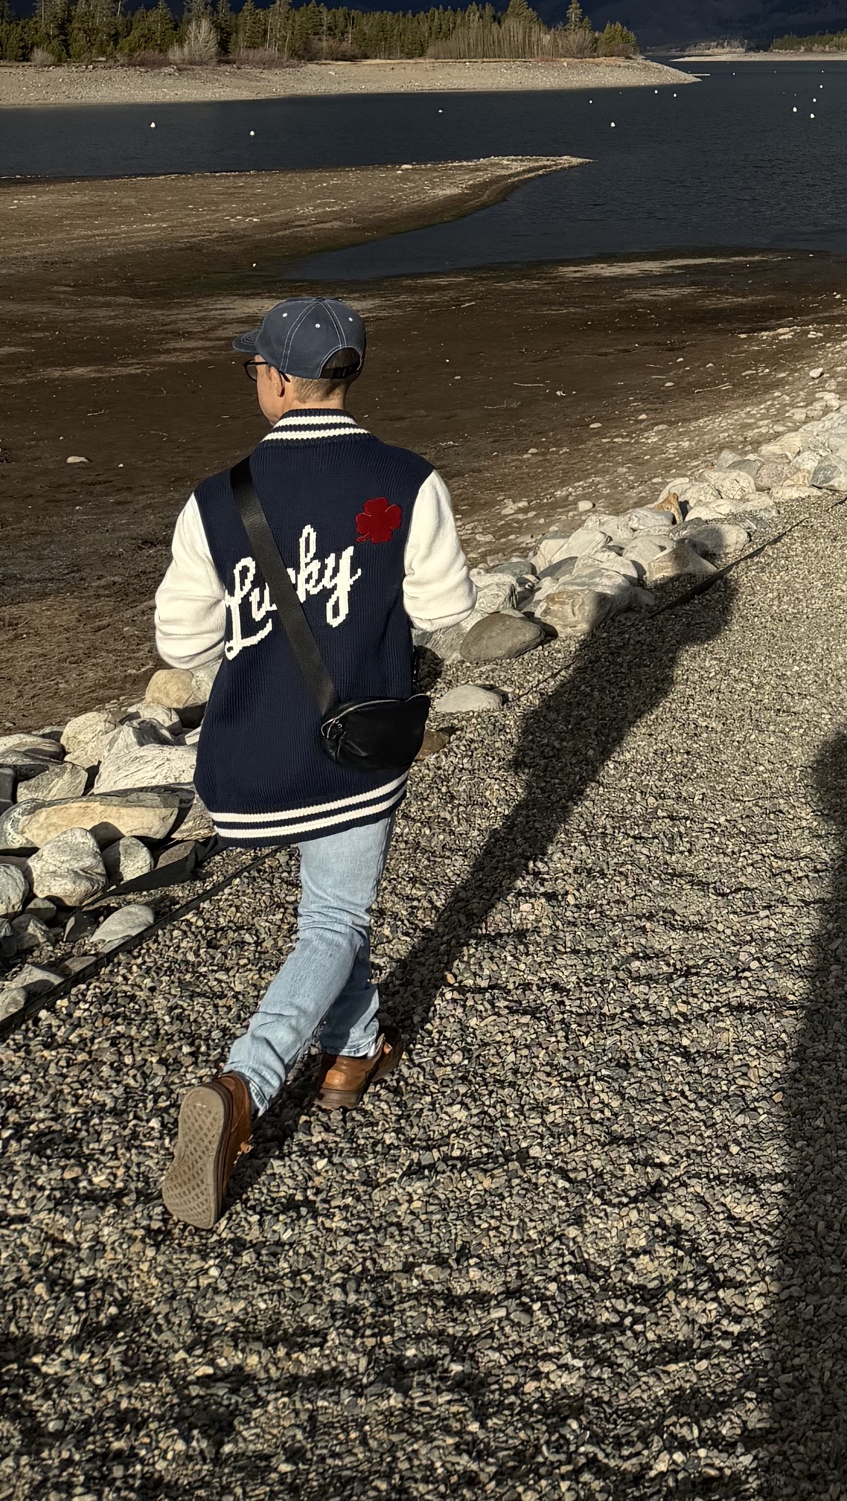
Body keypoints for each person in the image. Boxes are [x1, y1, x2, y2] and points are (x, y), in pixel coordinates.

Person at [153, 296, 476, 1229]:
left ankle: (353, 1049)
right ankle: (246, 1084)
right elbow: (450, 610)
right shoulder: (407, 480)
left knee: (333, 913)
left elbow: (182, 644)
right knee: (334, 916)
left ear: (278, 378)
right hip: (353, 751)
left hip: (247, 763)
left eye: (254, 365)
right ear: (346, 374)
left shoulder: (218, 498)